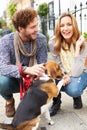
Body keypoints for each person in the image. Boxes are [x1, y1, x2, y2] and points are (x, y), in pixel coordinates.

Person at [0, 8, 47, 117]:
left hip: (32, 78)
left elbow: (43, 63)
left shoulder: (41, 39)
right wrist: (25, 69)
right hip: (13, 79)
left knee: (44, 80)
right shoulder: (6, 41)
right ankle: (9, 101)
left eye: (37, 25)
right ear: (21, 29)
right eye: (32, 27)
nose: (37, 29)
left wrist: (37, 73)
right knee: (1, 82)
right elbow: (2, 67)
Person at [48, 12, 83, 116]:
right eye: (62, 25)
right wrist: (64, 75)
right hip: (64, 70)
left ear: (74, 25)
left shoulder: (82, 42)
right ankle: (56, 102)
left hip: (80, 71)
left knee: (74, 89)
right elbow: (58, 63)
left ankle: (76, 95)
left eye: (69, 24)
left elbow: (79, 69)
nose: (65, 28)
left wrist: (77, 48)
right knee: (52, 75)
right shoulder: (53, 42)